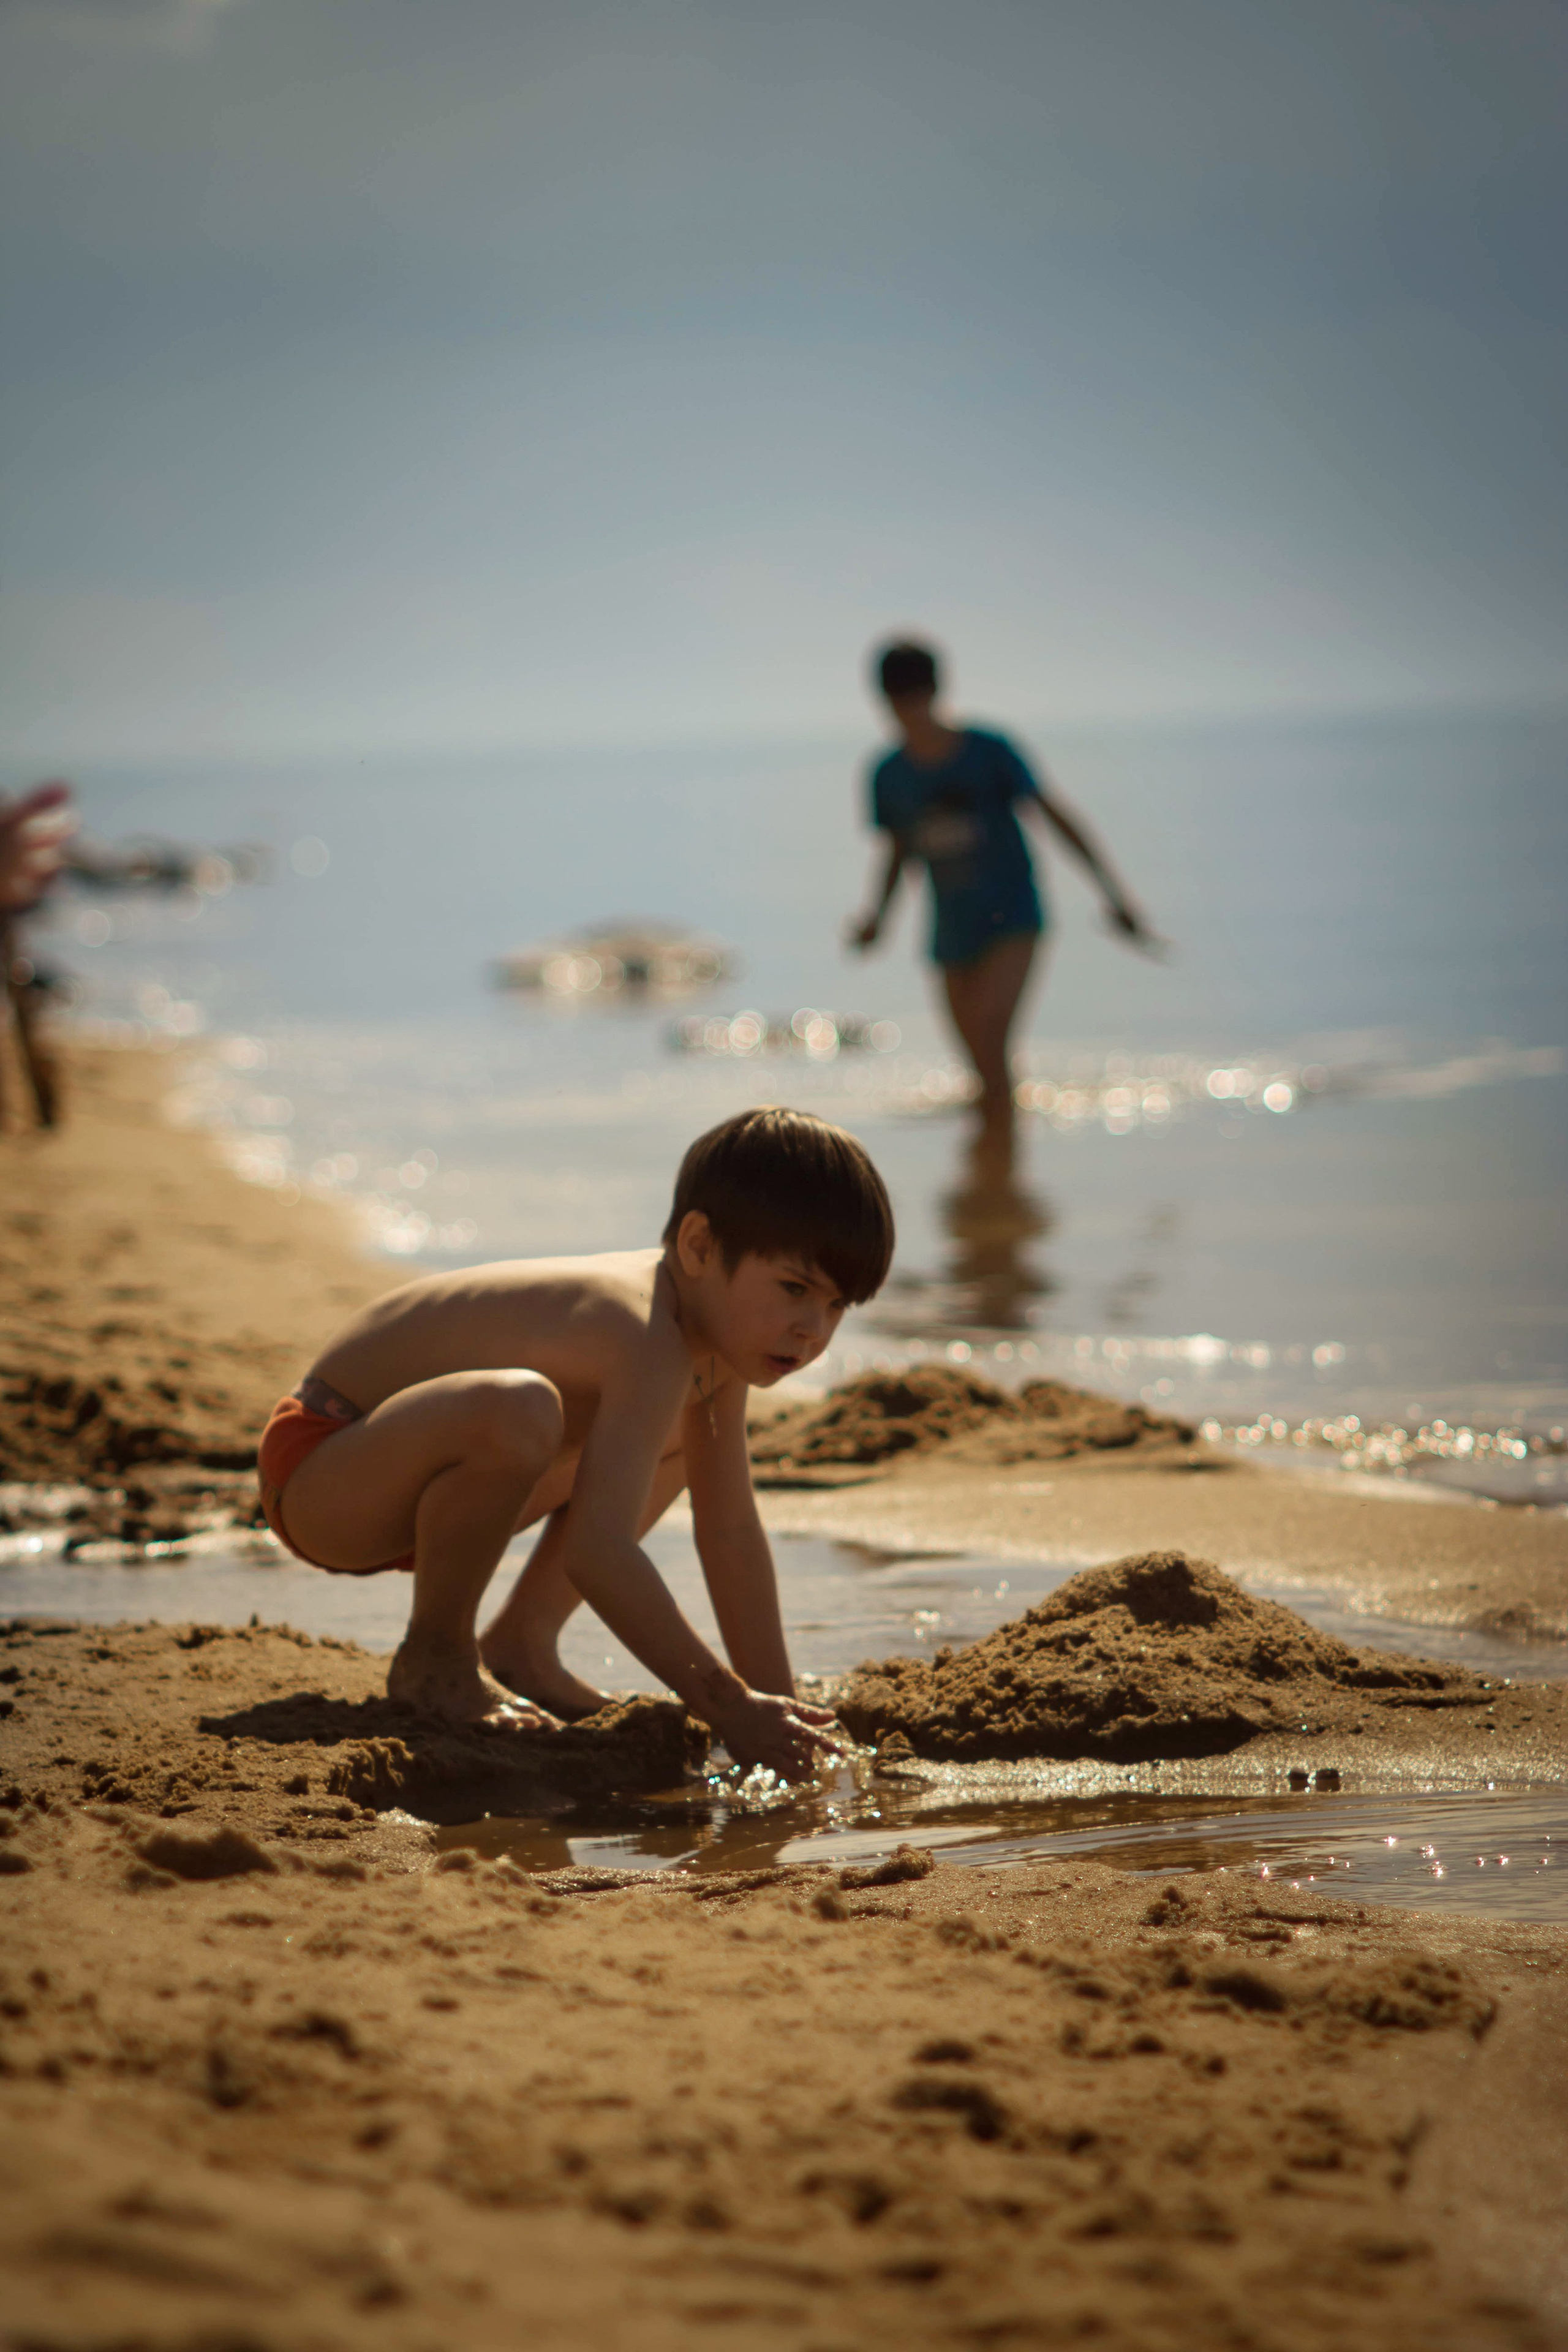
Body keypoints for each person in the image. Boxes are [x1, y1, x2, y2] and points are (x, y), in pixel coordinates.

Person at [255, 1106, 893, 1776]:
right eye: (794, 1288)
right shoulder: (643, 1331)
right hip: (322, 1470)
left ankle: (523, 1645)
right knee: (519, 1408)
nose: (812, 1329)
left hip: (419, 1496)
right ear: (700, 1246)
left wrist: (782, 1713)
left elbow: (729, 1530)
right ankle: (437, 1657)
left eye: (835, 1306)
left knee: (676, 1438)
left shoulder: (713, 1352)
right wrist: (727, 1706)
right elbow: (598, 1552)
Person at [846, 638, 1160, 1126]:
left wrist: (1114, 895)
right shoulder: (887, 774)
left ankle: (1001, 1153)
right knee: (978, 1060)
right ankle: (996, 1154)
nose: (909, 712)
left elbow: (1053, 815)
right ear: (884, 702)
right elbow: (897, 853)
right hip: (951, 929)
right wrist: (877, 921)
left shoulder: (989, 751)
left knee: (993, 1036)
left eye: (916, 698)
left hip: (1013, 917)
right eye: (898, 701)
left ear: (936, 692)